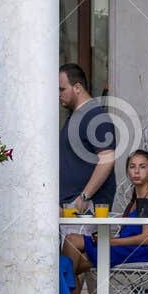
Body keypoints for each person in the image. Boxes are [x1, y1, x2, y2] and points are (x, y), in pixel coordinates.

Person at [61, 150, 148, 294]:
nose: (136, 171)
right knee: (72, 265)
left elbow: (146, 238)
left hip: (139, 251)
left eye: (142, 167)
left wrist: (109, 242)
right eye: (132, 167)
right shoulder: (136, 200)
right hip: (124, 248)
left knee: (72, 241)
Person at [59, 63, 116, 213]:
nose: (58, 94)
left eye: (62, 89)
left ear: (77, 87)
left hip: (85, 208)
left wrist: (84, 197)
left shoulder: (95, 116)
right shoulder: (75, 116)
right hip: (70, 206)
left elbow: (107, 159)